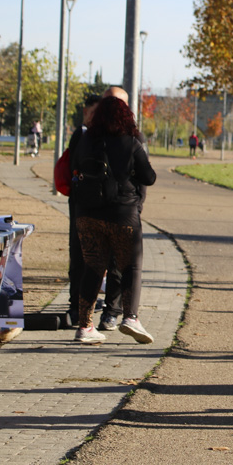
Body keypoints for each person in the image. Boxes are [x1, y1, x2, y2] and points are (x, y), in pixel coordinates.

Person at [71, 95, 157, 344]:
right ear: (126, 116)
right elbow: (149, 177)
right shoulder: (130, 142)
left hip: (87, 215)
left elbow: (74, 169)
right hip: (122, 215)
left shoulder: (86, 141)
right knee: (131, 265)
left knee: (93, 266)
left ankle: (85, 327)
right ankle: (130, 317)